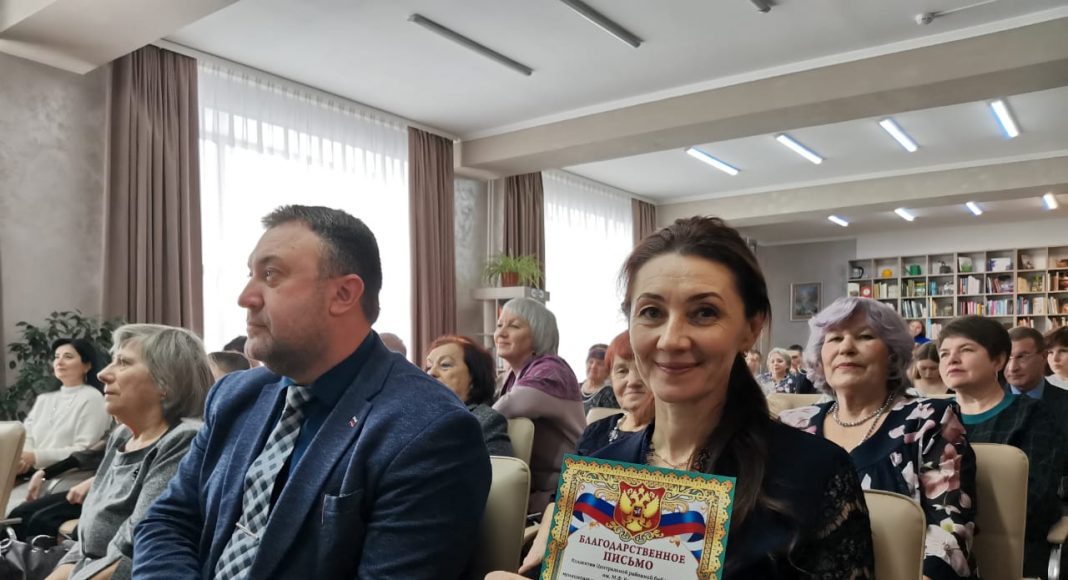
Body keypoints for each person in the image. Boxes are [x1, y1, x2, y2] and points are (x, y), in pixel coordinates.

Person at [503, 216, 873, 579]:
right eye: (651, 312)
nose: (671, 340)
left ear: (751, 328)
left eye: (704, 313)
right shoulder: (599, 473)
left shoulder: (814, 474)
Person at [133, 205, 491, 579]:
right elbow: (168, 521)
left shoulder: (430, 431)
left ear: (343, 294)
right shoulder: (233, 396)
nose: (245, 297)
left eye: (270, 275)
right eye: (250, 275)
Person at [780, 297, 977, 579]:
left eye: (865, 336)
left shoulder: (930, 420)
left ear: (892, 356)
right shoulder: (791, 425)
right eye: (834, 339)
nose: (846, 348)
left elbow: (950, 534)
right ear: (820, 359)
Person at [45, 324, 212, 580]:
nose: (102, 374)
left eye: (123, 363)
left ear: (165, 381)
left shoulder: (183, 441)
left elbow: (134, 554)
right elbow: (85, 545)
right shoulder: (123, 435)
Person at [938, 316, 1064, 577]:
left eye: (966, 350)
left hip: (1008, 549)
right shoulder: (928, 419)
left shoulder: (1033, 416)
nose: (952, 360)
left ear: (998, 360)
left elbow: (1033, 504)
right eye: (944, 354)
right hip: (934, 549)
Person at [493, 297, 585, 514]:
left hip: (568, 493)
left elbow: (506, 408)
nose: (501, 333)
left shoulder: (552, 369)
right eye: (499, 325)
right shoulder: (512, 376)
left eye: (514, 326)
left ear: (539, 334)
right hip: (537, 493)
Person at [20, 339, 111, 474]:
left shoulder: (93, 398)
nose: (59, 362)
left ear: (87, 366)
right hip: (31, 472)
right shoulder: (44, 400)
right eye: (57, 357)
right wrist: (23, 459)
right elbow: (26, 436)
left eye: (68, 357)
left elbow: (85, 450)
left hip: (69, 476)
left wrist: (35, 457)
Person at [425, 335, 513, 456]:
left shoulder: (486, 421)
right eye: (428, 367)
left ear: (473, 377)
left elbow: (498, 467)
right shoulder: (416, 417)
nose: (431, 373)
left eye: (445, 365)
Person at [575, 331, 653, 456]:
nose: (632, 381)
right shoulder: (593, 432)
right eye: (622, 371)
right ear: (612, 378)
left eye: (642, 369)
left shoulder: (676, 440)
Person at [1006, 327, 1068, 451]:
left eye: (1022, 357)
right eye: (1007, 357)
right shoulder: (985, 404)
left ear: (1043, 356)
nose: (1012, 368)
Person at [579, 343, 617, 413]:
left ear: (608, 370)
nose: (593, 366)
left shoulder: (609, 394)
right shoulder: (575, 387)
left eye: (600, 364)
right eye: (591, 362)